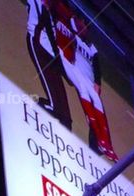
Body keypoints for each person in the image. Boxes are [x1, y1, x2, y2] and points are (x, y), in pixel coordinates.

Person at [45, 0, 117, 160]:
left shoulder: (91, 47)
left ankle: (103, 145)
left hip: (91, 83)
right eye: (81, 24)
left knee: (99, 110)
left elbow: (97, 67)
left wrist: (98, 83)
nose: (83, 28)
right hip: (79, 77)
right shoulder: (72, 35)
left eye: (85, 26)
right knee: (88, 110)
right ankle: (96, 146)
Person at [25, 0, 72, 128]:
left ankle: (63, 131)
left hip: (50, 52)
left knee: (65, 116)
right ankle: (26, 110)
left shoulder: (54, 9)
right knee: (55, 106)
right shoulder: (40, 5)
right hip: (38, 45)